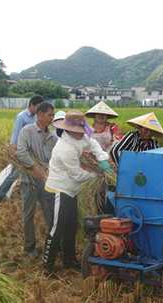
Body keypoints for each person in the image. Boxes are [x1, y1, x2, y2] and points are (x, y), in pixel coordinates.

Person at [42, 110, 112, 278]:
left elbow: (93, 144)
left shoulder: (80, 137)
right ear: (69, 130)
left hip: (71, 190)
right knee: (56, 228)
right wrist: (96, 174)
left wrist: (102, 158)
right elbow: (77, 175)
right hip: (59, 190)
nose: (82, 134)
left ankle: (69, 259)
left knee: (71, 226)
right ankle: (48, 265)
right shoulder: (65, 148)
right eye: (79, 131)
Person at [16, 101, 57, 258]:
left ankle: (51, 244)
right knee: (28, 213)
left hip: (47, 182)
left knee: (50, 213)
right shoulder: (27, 132)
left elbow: (56, 157)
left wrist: (48, 171)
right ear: (40, 114)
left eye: (53, 115)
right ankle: (30, 246)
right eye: (49, 115)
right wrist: (35, 169)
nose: (52, 118)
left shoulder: (53, 136)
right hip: (29, 181)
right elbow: (21, 152)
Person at [0, 95, 45, 202]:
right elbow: (15, 136)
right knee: (15, 174)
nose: (39, 110)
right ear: (31, 105)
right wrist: (15, 153)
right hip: (21, 151)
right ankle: (0, 194)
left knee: (31, 175)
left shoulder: (36, 117)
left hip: (31, 152)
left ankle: (32, 196)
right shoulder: (21, 117)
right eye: (37, 107)